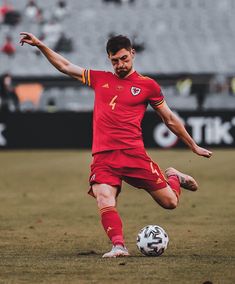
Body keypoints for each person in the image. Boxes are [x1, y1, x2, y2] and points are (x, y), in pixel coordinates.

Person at [19, 32, 212, 258]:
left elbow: (168, 118)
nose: (120, 65)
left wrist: (193, 146)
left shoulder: (147, 85)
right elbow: (65, 66)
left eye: (124, 59)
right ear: (109, 59)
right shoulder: (99, 78)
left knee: (170, 203)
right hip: (104, 157)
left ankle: (173, 176)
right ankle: (118, 246)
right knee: (104, 197)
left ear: (132, 53)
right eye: (114, 61)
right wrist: (41, 45)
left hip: (133, 155)